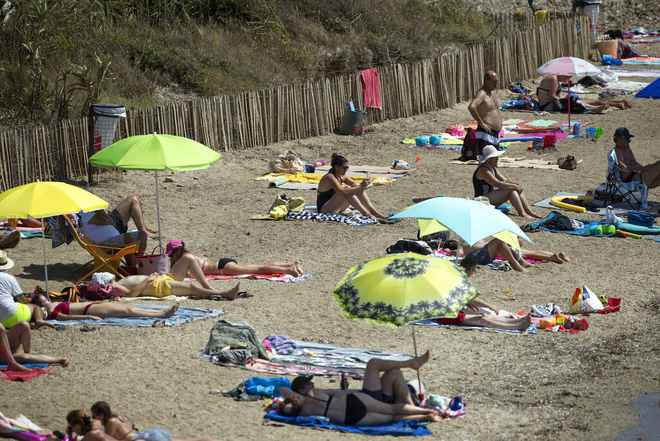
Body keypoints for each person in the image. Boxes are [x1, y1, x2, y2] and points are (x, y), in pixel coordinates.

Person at [278, 351, 443, 425]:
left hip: (355, 403)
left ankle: (426, 411)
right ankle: (428, 414)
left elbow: (283, 392)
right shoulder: (305, 406)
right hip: (353, 414)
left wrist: (345, 389)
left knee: (392, 411)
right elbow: (284, 392)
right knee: (392, 415)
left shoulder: (316, 394)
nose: (312, 383)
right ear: (298, 392)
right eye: (308, 383)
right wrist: (286, 402)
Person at [166, 240, 303, 289]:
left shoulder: (186, 259)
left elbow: (187, 275)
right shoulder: (189, 255)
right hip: (222, 264)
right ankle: (288, 265)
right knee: (257, 266)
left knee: (258, 269)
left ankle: (289, 270)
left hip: (222, 268)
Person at [316, 153, 391, 223]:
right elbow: (342, 191)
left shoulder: (341, 176)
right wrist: (360, 187)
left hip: (335, 207)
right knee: (346, 190)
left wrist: (364, 184)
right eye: (344, 168)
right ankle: (367, 214)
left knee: (354, 189)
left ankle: (373, 212)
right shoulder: (329, 177)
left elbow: (355, 186)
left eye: (347, 168)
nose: (346, 170)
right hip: (324, 210)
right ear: (336, 167)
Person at [77, 195, 156, 260]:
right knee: (142, 234)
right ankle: (139, 262)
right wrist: (100, 211)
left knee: (134, 199)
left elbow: (103, 221)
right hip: (108, 242)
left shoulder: (78, 214)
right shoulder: (83, 215)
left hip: (111, 233)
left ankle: (143, 228)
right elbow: (104, 220)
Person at [472, 145, 540, 219]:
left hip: (489, 196)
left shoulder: (492, 167)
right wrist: (514, 186)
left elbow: (504, 180)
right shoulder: (484, 170)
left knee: (516, 188)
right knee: (511, 190)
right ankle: (523, 213)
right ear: (490, 159)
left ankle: (529, 212)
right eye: (496, 157)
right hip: (481, 200)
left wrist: (515, 184)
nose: (498, 159)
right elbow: (497, 184)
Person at [30, 292, 178, 321]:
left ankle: (160, 311)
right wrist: (88, 316)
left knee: (129, 308)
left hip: (92, 305)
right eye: (43, 301)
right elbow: (64, 317)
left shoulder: (52, 304)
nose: (47, 300)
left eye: (46, 299)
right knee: (128, 311)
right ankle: (161, 315)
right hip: (90, 310)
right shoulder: (49, 310)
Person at [462, 237, 570, 273]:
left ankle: (552, 256)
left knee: (525, 251)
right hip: (482, 256)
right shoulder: (465, 243)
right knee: (526, 252)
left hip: (488, 253)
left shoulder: (471, 238)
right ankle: (552, 256)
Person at [110, 274, 243, 301]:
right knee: (191, 287)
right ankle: (225, 293)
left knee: (192, 288)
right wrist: (147, 280)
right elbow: (131, 295)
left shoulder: (118, 284)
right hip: (160, 287)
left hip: (160, 283)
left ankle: (221, 293)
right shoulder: (117, 287)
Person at [536, 75, 631, 113]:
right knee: (579, 102)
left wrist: (564, 97)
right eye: (567, 77)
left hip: (551, 104)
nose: (567, 79)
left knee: (584, 101)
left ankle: (616, 103)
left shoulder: (555, 79)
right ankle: (598, 108)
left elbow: (555, 96)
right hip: (547, 107)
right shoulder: (553, 79)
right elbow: (552, 96)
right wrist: (565, 99)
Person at [468, 71, 503, 153]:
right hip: (486, 133)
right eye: (494, 82)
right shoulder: (482, 94)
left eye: (496, 81)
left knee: (493, 159)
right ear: (487, 81)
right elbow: (471, 107)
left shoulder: (492, 93)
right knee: (487, 159)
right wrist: (481, 123)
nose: (496, 84)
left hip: (495, 133)